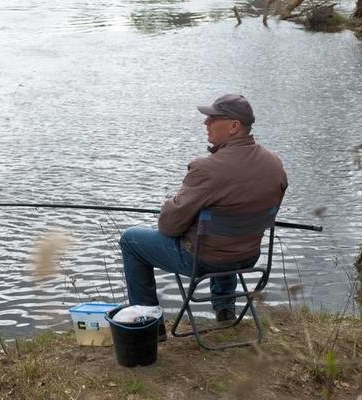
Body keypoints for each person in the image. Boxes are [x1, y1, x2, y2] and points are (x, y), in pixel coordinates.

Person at [119, 94, 288, 340]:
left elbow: (168, 226)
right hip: (248, 256)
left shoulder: (206, 169)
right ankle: (225, 312)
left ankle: (149, 327)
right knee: (225, 239)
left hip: (204, 260)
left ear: (233, 126)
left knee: (131, 240)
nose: (205, 123)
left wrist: (171, 205)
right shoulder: (274, 164)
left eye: (212, 118)